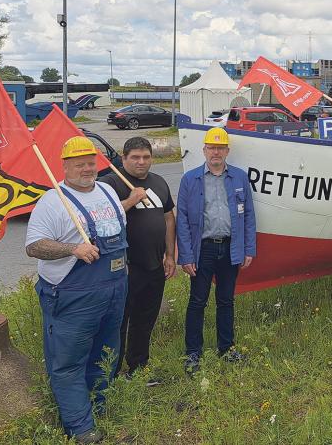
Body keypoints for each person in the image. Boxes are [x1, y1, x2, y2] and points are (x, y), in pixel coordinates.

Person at [26, 137, 129, 443]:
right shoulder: (53, 200)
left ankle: (99, 408)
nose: (87, 168)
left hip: (114, 290)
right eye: (79, 163)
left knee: (105, 355)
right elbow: (33, 246)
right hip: (73, 295)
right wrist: (73, 248)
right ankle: (80, 428)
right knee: (69, 362)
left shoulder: (108, 190)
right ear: (65, 165)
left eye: (90, 162)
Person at [97, 137, 176, 377]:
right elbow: (101, 218)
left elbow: (168, 218)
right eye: (135, 157)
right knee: (119, 322)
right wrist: (131, 200)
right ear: (124, 158)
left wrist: (170, 255)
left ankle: (138, 367)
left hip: (154, 266)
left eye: (146, 157)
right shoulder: (108, 183)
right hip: (124, 268)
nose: (141, 162)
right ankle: (110, 373)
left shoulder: (159, 182)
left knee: (145, 320)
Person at [179, 128, 256, 372]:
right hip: (203, 249)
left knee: (226, 300)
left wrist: (248, 248)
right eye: (211, 147)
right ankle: (193, 353)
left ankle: (226, 348)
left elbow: (250, 216)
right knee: (197, 301)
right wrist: (186, 256)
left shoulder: (239, 178)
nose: (216, 152)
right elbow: (181, 219)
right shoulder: (190, 179)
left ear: (227, 151)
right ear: (204, 150)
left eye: (220, 148)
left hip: (230, 248)